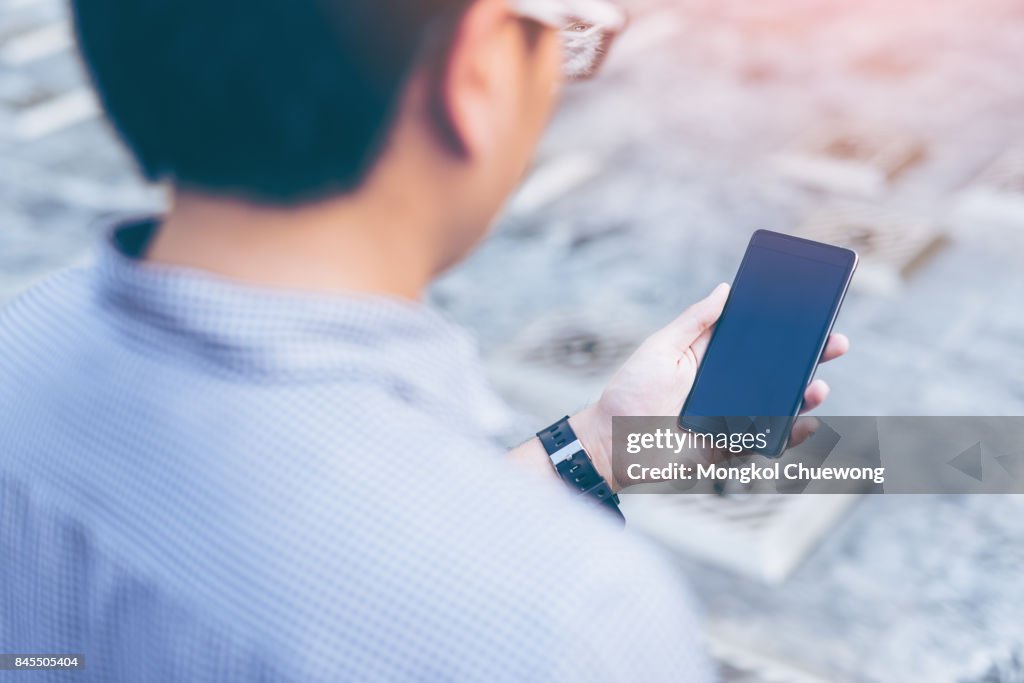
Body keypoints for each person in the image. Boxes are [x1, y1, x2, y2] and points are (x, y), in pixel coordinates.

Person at [0, 0, 848, 680]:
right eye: (571, 44)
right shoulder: (570, 623)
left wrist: (595, 446)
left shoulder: (21, 343)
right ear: (476, 72)